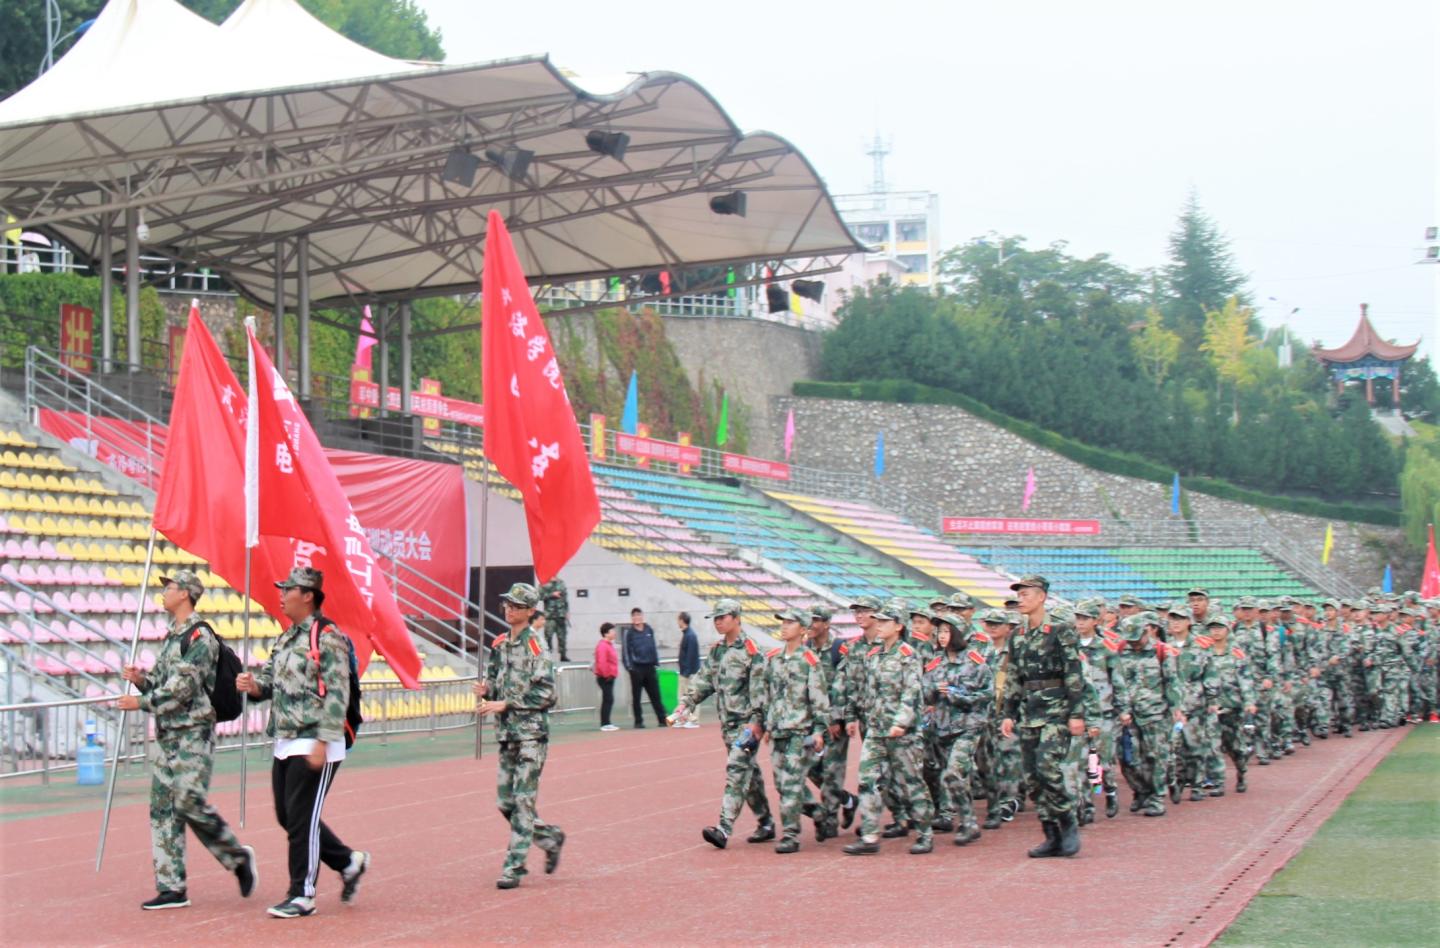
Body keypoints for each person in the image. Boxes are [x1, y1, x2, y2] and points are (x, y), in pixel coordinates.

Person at [117, 569, 256, 911]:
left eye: (170, 587)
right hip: (168, 733)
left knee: (189, 801)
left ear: (185, 594)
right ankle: (171, 887)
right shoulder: (173, 636)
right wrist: (142, 682)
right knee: (163, 808)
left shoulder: (199, 637)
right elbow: (163, 684)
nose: (164, 592)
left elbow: (183, 689)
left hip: (193, 733)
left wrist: (141, 702)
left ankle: (236, 856)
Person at [234, 568, 369, 918]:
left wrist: (324, 741)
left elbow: (338, 691)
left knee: (302, 819)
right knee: (288, 816)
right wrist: (254, 686)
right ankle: (348, 862)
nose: (281, 595)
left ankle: (302, 894)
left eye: (288, 589)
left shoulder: (328, 637)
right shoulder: (286, 638)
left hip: (315, 739)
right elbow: (270, 682)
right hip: (286, 738)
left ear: (308, 595)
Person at [473, 583, 566, 889]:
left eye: (516, 606)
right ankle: (549, 838)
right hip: (507, 734)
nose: (509, 609)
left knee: (523, 801)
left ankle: (514, 866)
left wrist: (507, 703)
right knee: (505, 802)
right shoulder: (500, 644)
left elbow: (547, 693)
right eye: (507, 604)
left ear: (530, 611)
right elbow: (494, 681)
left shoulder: (536, 646)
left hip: (530, 735)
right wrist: (486, 691)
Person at [670, 599, 774, 848]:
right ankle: (766, 822)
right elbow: (704, 680)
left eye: (722, 617)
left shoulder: (752, 651)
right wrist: (686, 703)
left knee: (736, 769)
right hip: (727, 725)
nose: (718, 622)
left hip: (747, 725)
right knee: (750, 775)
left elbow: (761, 692)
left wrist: (757, 722)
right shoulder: (717, 651)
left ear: (736, 618)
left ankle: (723, 829)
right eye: (715, 618)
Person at [1000, 575, 1086, 858]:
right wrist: (1008, 713)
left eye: (1026, 594)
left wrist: (1077, 713)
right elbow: (1013, 676)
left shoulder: (1060, 630)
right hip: (1029, 710)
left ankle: (1067, 821)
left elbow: (1073, 673)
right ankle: (1051, 834)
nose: (1021, 599)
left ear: (1041, 597)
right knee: (1032, 777)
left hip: (1056, 709)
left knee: (1048, 768)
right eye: (1019, 595)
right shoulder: (1017, 635)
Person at [843, 602, 933, 856]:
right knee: (867, 780)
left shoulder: (908, 655)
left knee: (911, 783)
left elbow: (912, 692)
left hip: (904, 733)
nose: (879, 625)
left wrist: (901, 722)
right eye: (878, 621)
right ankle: (870, 836)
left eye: (885, 622)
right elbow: (866, 692)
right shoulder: (874, 655)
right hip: (876, 730)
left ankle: (925, 833)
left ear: (898, 626)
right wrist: (854, 715)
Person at [759, 608, 830, 853]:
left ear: (803, 629)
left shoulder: (810, 661)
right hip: (777, 731)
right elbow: (768, 694)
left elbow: (820, 699)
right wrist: (767, 725)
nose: (784, 626)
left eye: (790, 623)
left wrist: (819, 730)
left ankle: (790, 834)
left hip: (800, 732)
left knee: (790, 785)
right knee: (782, 784)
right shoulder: (774, 658)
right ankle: (818, 812)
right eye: (783, 622)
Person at [621, 607, 667, 728]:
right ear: (632, 618)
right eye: (634, 616)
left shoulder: (648, 629)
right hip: (637, 669)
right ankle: (638, 721)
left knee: (655, 695)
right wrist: (630, 668)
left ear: (642, 616)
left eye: (638, 615)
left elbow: (653, 646)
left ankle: (662, 719)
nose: (637, 618)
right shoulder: (629, 633)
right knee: (636, 697)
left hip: (650, 667)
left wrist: (656, 662)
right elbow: (625, 652)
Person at [677, 612, 701, 728]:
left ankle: (693, 719)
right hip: (686, 671)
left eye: (678, 620)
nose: (678, 622)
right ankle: (684, 719)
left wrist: (686, 673)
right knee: (683, 697)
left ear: (682, 620)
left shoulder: (690, 635)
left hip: (689, 673)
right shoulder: (687, 634)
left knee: (691, 697)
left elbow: (690, 656)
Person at [594, 622, 620, 731]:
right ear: (606, 633)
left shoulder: (609, 645)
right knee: (608, 699)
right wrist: (607, 675)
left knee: (608, 699)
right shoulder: (603, 646)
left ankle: (607, 722)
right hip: (605, 677)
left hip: (610, 676)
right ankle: (605, 723)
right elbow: (602, 662)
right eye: (612, 631)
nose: (614, 633)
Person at [539, 577, 571, 662]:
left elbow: (565, 599)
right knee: (548, 637)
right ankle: (547, 655)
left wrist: (567, 611)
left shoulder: (561, 582)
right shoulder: (544, 583)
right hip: (550, 616)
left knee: (562, 637)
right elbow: (539, 597)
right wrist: (551, 594)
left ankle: (563, 655)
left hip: (561, 615)